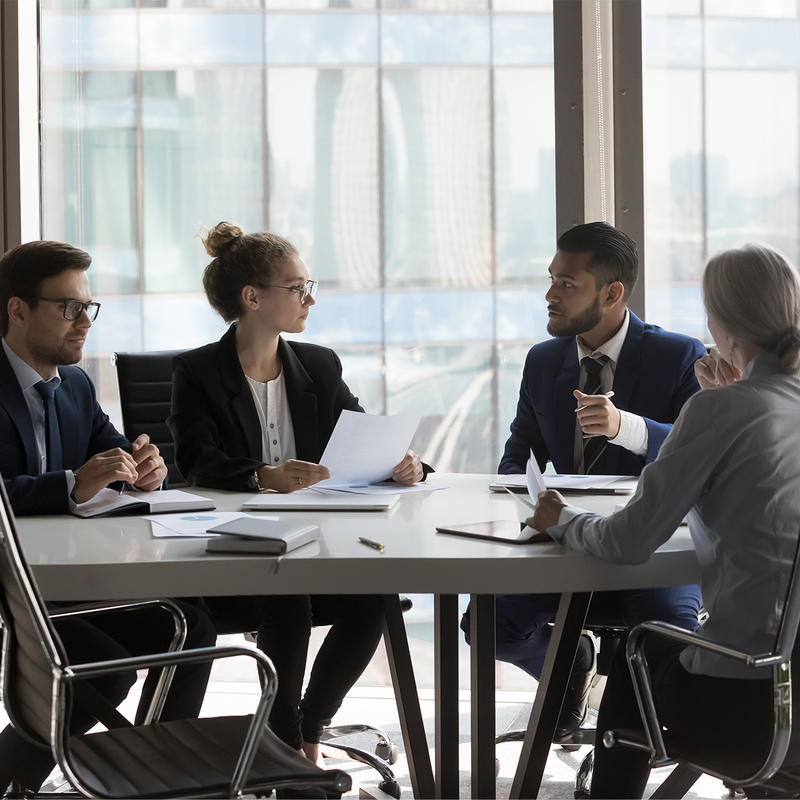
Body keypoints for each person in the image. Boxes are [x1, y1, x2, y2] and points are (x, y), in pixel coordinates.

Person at [528, 242, 800, 798]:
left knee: (636, 655)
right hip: (790, 695)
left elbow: (627, 542)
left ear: (723, 327)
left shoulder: (722, 410)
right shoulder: (764, 404)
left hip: (742, 698)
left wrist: (562, 519)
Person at [168, 222, 428, 766]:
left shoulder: (317, 363)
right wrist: (265, 475)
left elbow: (360, 434)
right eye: (297, 287)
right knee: (289, 598)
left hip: (316, 539)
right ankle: (285, 746)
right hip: (230, 552)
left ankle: (308, 729)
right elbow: (195, 461)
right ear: (253, 297)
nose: (309, 298)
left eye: (310, 285)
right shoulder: (197, 371)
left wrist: (405, 464)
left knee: (377, 599)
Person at [461, 221, 705, 741]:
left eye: (566, 283)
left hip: (649, 543)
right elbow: (521, 449)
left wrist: (627, 428)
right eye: (551, 279)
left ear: (612, 293)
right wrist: (517, 500)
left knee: (667, 637)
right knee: (484, 626)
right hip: (563, 538)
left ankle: (645, 742)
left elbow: (699, 454)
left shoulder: (679, 356)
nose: (549, 294)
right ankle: (567, 661)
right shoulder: (543, 359)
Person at [0, 240, 216, 792]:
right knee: (106, 672)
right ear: (17, 309)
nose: (84, 323)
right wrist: (71, 484)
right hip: (12, 587)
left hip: (72, 578)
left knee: (192, 630)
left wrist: (143, 466)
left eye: (88, 308)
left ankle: (158, 781)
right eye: (68, 308)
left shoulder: (74, 383)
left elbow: (114, 450)